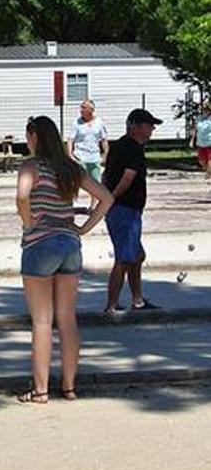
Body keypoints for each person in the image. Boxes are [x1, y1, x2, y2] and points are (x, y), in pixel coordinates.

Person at [15, 116, 113, 404]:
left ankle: (40, 390)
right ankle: (69, 387)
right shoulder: (71, 168)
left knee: (42, 322)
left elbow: (22, 195)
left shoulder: (31, 166)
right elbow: (106, 198)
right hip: (70, 244)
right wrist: (83, 228)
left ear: (34, 137)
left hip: (39, 244)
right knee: (68, 319)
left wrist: (28, 220)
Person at [102, 108, 163, 314]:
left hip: (125, 210)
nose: (152, 129)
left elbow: (106, 174)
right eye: (149, 125)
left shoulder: (118, 145)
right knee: (125, 258)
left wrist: (107, 199)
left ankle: (137, 301)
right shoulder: (133, 148)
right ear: (136, 126)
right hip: (125, 209)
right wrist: (111, 198)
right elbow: (127, 178)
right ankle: (111, 305)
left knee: (136, 255)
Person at [66, 99, 109, 208]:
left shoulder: (99, 122)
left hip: (94, 158)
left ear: (91, 110)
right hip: (80, 157)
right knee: (76, 181)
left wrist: (105, 154)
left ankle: (93, 206)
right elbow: (70, 140)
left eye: (84, 107)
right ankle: (70, 203)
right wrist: (70, 154)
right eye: (81, 107)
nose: (81, 110)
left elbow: (104, 140)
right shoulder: (76, 123)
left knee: (96, 183)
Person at [191, 102, 211, 181]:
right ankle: (208, 171)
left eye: (207, 109)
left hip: (209, 142)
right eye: (204, 109)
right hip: (200, 142)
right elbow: (195, 129)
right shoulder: (199, 118)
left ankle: (208, 174)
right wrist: (192, 140)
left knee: (210, 159)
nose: (205, 111)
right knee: (201, 161)